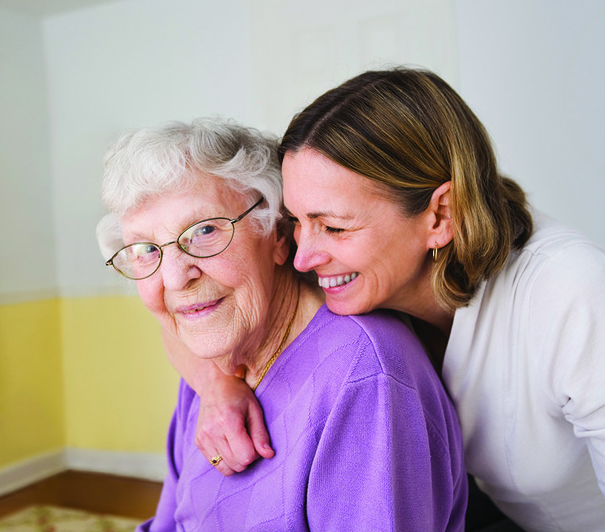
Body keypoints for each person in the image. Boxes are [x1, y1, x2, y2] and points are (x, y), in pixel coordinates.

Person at [173, 69, 605, 532]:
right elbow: (170, 305)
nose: (304, 258)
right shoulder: (352, 276)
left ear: (441, 215)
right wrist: (217, 384)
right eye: (297, 221)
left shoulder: (569, 291)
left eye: (334, 226)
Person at [96, 118, 467, 531]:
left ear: (277, 233)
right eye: (145, 249)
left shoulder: (364, 377)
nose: (175, 278)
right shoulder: (215, 359)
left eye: (203, 230)